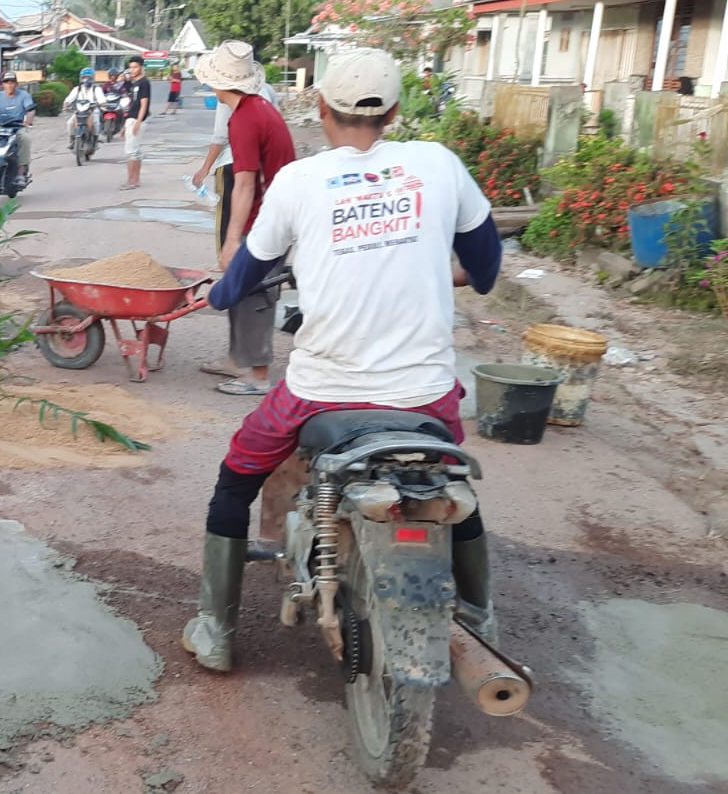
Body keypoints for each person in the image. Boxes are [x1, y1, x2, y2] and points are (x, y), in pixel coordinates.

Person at [180, 47, 502, 672]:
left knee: (233, 482)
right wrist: (436, 271)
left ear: (321, 107)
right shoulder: (438, 164)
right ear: (396, 111)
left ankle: (216, 630)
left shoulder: (302, 180)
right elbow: (485, 270)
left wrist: (218, 293)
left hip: (322, 390)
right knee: (453, 488)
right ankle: (481, 614)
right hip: (425, 395)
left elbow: (245, 273)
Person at [192, 41, 295, 396]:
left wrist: (234, 239)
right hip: (268, 211)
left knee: (255, 292)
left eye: (211, 81)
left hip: (269, 218)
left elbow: (246, 182)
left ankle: (258, 375)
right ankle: (238, 359)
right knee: (239, 284)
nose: (209, 86)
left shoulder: (247, 118)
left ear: (222, 83)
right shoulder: (254, 109)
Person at [0, 71, 36, 185]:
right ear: (2, 84)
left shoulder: (24, 95)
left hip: (17, 127)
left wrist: (28, 121)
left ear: (16, 84)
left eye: (12, 82)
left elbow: (30, 110)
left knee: (25, 138)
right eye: (6, 82)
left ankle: (21, 172)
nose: (9, 85)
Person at [120, 56, 152, 190]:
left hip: (136, 120)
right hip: (131, 119)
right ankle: (136, 180)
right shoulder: (134, 84)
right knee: (136, 152)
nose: (132, 70)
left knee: (131, 152)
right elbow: (131, 104)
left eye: (135, 67)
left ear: (141, 67)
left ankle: (130, 181)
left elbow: (144, 104)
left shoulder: (144, 83)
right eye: (131, 67)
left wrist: (138, 121)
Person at [61, 67, 107, 155]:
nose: (86, 80)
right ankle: (72, 140)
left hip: (92, 111)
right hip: (79, 111)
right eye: (84, 77)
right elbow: (69, 98)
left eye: (89, 77)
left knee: (96, 123)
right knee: (70, 123)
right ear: (81, 78)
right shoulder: (77, 89)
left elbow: (101, 99)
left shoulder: (96, 89)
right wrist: (66, 104)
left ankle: (95, 140)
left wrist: (102, 103)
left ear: (92, 78)